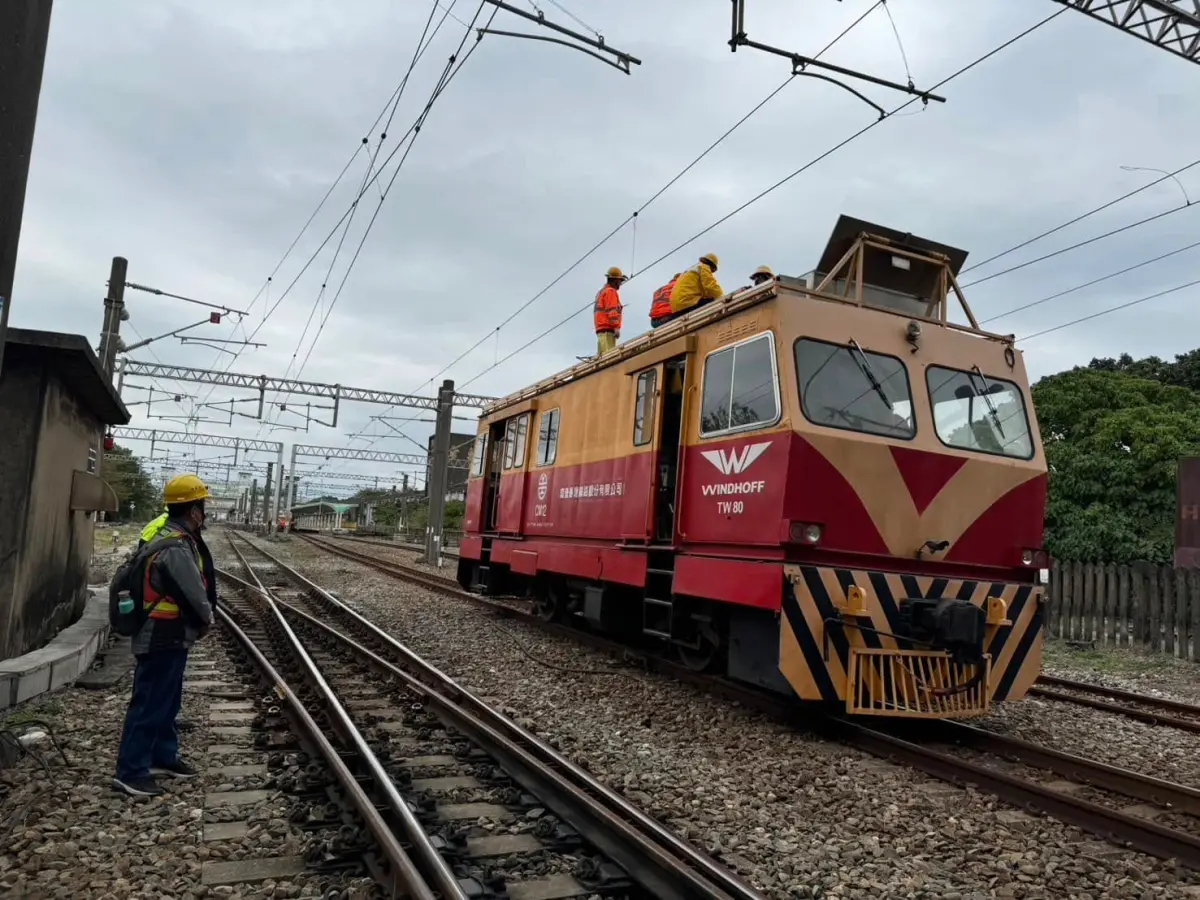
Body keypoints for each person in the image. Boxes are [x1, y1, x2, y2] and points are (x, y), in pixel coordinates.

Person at [113, 474, 215, 798]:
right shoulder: (175, 546)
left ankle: (162, 756)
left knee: (167, 701)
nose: (204, 513)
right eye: (202, 507)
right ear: (194, 511)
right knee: (150, 703)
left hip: (169, 636)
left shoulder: (173, 538)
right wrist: (206, 619)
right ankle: (130, 771)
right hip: (160, 635)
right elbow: (194, 593)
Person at [668, 253, 724, 318]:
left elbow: (705, 291)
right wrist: (722, 298)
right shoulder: (703, 267)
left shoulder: (689, 271)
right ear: (712, 266)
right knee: (713, 301)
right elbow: (710, 285)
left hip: (676, 310)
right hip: (688, 304)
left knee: (708, 299)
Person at [593, 266, 625, 355]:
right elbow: (612, 311)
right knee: (609, 357)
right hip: (607, 330)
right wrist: (616, 327)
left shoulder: (601, 292)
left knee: (602, 358)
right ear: (615, 280)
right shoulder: (610, 292)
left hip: (601, 330)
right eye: (620, 281)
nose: (620, 283)